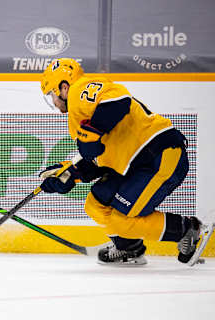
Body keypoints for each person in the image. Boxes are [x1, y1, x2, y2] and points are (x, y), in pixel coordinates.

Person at [39, 58, 213, 266]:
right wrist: (71, 174)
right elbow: (97, 157)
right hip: (136, 164)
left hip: (159, 155)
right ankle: (129, 248)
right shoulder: (78, 116)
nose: (55, 104)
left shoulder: (80, 89)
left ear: (63, 87)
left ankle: (187, 229)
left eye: (52, 96)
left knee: (120, 219)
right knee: (96, 204)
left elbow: (118, 101)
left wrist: (92, 133)